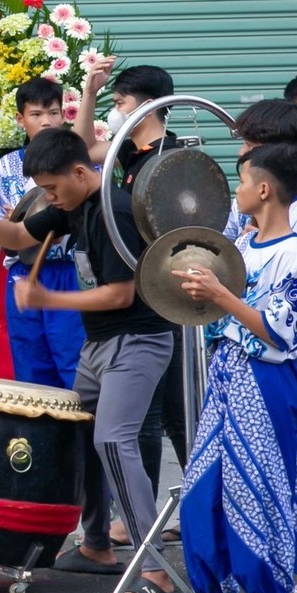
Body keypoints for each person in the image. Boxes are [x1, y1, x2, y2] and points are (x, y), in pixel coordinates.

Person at [0, 126, 180, 593]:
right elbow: (15, 235)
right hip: (98, 347)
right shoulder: (73, 202)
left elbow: (121, 293)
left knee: (114, 440)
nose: (49, 198)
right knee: (79, 436)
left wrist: (48, 297)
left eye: (52, 188)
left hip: (138, 340)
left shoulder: (116, 209)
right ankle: (96, 545)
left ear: (80, 172)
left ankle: (155, 571)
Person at [163, 144, 297, 593]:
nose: (238, 191)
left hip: (266, 382)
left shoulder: (292, 252)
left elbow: (281, 332)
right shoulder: (245, 244)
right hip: (229, 374)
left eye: (243, 181)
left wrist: (223, 297)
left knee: (260, 493)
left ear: (265, 190)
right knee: (203, 491)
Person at [229, 101, 297, 593]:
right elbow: (226, 254)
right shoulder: (248, 201)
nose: (242, 153)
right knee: (266, 462)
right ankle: (271, 565)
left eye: (249, 143)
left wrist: (277, 269)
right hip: (243, 344)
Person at [77, 59, 187, 504]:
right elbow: (84, 151)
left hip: (167, 300)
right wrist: (89, 92)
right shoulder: (127, 150)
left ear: (146, 104)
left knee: (172, 415)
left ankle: (193, 511)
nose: (115, 109)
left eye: (119, 101)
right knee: (148, 417)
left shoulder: (173, 157)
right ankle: (137, 516)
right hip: (141, 301)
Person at [0, 78, 84, 389]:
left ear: (65, 115)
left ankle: (82, 436)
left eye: (53, 113)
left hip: (68, 274)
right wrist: (10, 225)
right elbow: (1, 233)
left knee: (74, 364)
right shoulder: (6, 168)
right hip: (24, 275)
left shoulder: (80, 163)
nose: (46, 122)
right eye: (36, 114)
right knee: (30, 370)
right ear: (20, 119)